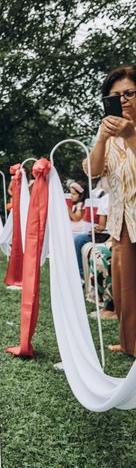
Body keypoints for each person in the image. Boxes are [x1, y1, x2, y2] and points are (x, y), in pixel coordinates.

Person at [87, 65, 136, 355]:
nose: (124, 99)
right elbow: (94, 170)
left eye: (129, 92)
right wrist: (103, 139)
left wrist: (130, 135)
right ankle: (131, 344)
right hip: (122, 221)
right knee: (125, 290)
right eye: (115, 95)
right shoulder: (107, 131)